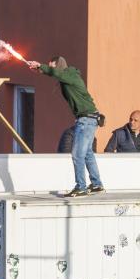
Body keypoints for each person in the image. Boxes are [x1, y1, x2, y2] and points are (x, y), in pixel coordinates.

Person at [29, 56, 104, 197]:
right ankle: (97, 184)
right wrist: (41, 71)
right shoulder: (68, 76)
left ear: (58, 65)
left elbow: (56, 73)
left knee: (77, 154)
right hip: (90, 119)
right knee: (87, 153)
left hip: (86, 119)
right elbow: (56, 74)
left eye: (52, 65)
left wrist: (40, 66)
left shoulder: (69, 74)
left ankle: (81, 187)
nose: (50, 68)